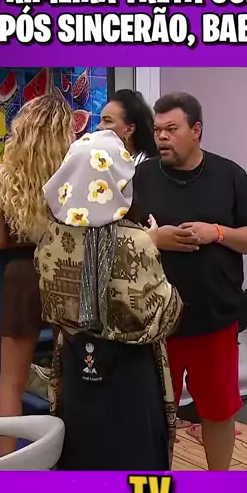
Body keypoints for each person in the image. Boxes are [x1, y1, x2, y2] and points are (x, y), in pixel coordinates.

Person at [133, 92, 247, 471]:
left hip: (214, 318)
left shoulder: (229, 175)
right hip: (156, 322)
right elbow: (117, 239)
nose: (162, 137)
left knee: (218, 411)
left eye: (171, 129)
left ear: (196, 130)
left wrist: (218, 232)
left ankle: (217, 487)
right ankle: (156, 488)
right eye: (157, 130)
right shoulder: (140, 177)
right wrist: (154, 239)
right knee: (155, 416)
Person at [35, 128, 182, 471]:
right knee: (133, 464)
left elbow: (51, 305)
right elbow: (165, 315)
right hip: (130, 377)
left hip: (75, 365)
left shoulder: (51, 236)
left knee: (80, 459)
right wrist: (152, 244)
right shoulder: (137, 241)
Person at [0, 95, 75, 457]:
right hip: (67, 271)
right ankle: (71, 461)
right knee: (72, 377)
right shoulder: (76, 171)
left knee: (11, 381)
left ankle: (5, 464)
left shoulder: (3, 175)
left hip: (21, 273)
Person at [98, 88, 157, 164]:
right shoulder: (105, 163)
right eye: (101, 121)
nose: (99, 127)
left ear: (129, 130)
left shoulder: (147, 167)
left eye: (107, 121)